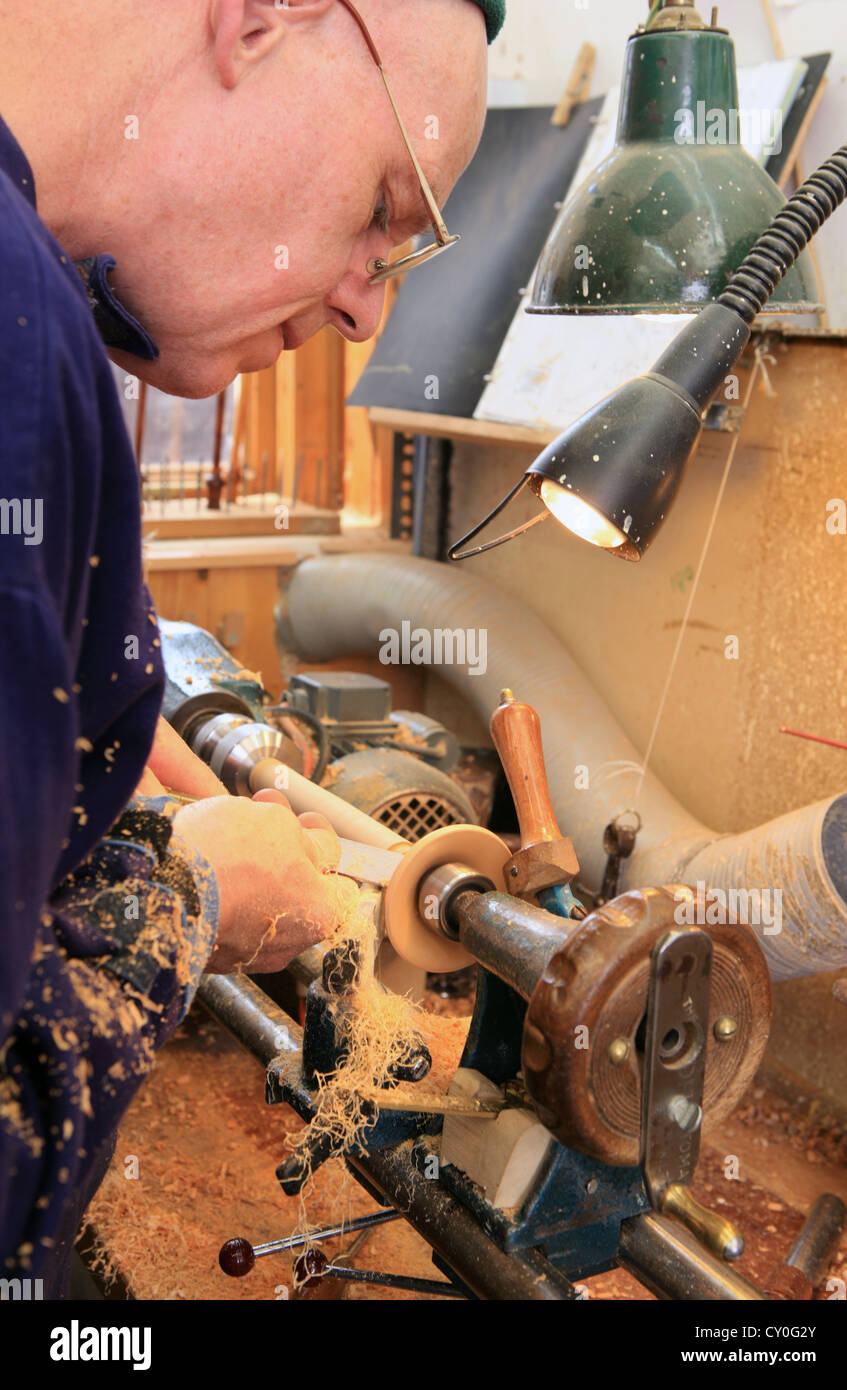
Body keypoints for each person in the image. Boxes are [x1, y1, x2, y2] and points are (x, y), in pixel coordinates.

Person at [0, 0, 503, 1295]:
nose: (361, 311)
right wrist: (191, 906)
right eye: (386, 211)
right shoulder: (20, 335)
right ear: (262, 17)